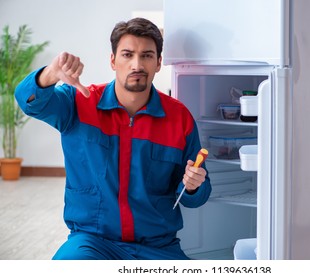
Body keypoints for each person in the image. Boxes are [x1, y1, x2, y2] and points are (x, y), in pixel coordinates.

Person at [15, 17, 211, 260]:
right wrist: (50, 74)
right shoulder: (79, 102)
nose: (136, 64)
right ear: (113, 60)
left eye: (147, 55)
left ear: (159, 63)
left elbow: (197, 196)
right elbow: (28, 102)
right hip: (92, 243)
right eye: (127, 54)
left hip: (158, 247)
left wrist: (193, 187)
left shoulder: (179, 117)